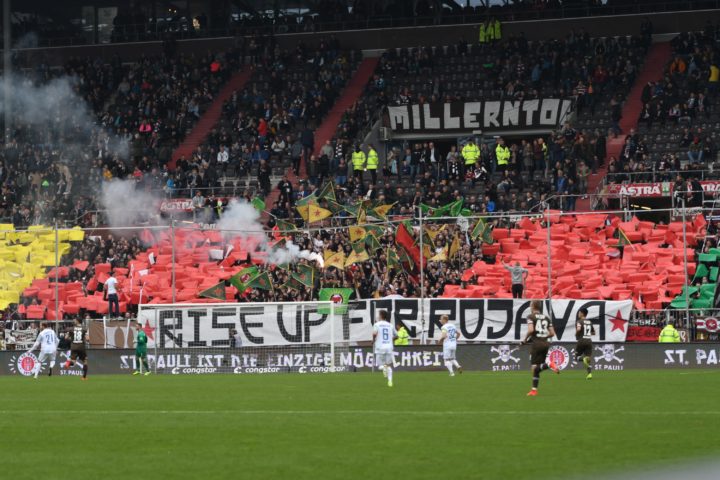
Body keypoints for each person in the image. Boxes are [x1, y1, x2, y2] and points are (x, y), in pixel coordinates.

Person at [523, 300, 559, 396]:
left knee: (534, 368)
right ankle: (534, 390)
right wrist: (543, 337)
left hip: (537, 345)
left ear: (533, 306)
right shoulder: (546, 318)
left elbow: (531, 330)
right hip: (545, 344)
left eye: (530, 305)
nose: (530, 307)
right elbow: (552, 333)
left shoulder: (530, 317)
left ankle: (549, 364)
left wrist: (524, 339)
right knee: (537, 368)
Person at [372, 310, 397, 387]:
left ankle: (384, 367)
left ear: (381, 316)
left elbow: (374, 334)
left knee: (380, 366)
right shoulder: (390, 325)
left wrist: (373, 341)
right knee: (389, 365)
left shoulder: (377, 324)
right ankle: (390, 381)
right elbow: (396, 336)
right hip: (389, 347)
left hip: (380, 347)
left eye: (378, 314)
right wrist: (390, 340)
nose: (377, 316)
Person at [575, 307, 595, 380]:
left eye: (579, 312)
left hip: (581, 341)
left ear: (582, 313)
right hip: (589, 341)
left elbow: (579, 329)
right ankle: (589, 374)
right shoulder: (589, 322)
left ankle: (583, 358)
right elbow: (594, 332)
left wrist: (576, 334)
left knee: (576, 357)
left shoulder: (579, 321)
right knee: (588, 358)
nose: (578, 314)